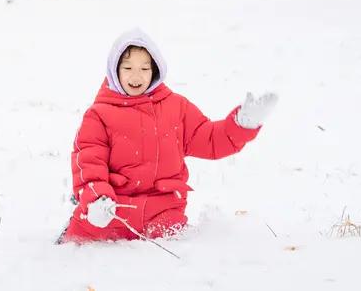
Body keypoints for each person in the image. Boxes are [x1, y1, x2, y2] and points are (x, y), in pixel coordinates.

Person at [58, 28, 278, 243]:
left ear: (155, 70)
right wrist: (97, 198)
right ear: (114, 70)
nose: (136, 76)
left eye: (145, 68)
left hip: (163, 214)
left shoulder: (176, 108)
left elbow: (210, 139)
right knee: (81, 245)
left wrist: (241, 125)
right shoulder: (99, 114)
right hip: (110, 213)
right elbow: (88, 162)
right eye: (128, 68)